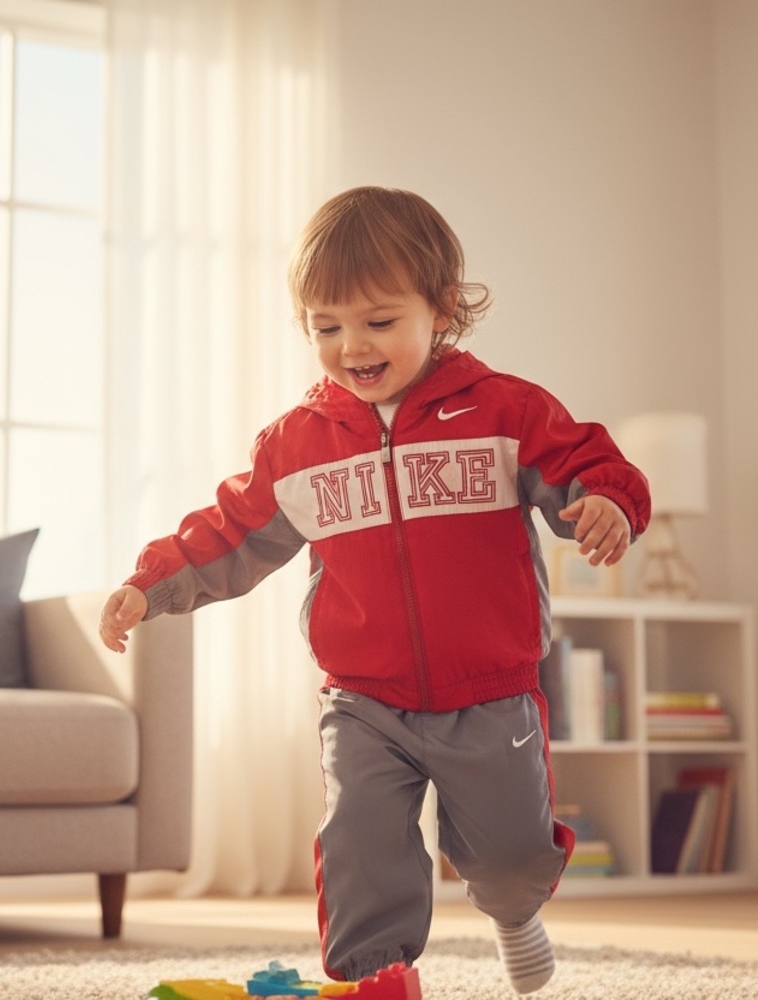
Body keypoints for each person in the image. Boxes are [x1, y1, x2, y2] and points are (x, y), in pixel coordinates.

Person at [99, 186, 651, 995]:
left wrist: (606, 503)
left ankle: (515, 911)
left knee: (507, 854)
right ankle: (373, 977)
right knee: (360, 844)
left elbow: (587, 465)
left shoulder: (505, 412)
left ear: (443, 309)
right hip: (362, 699)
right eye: (327, 327)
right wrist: (151, 583)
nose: (351, 345)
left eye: (378, 321)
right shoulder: (298, 444)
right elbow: (230, 531)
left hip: (489, 690)